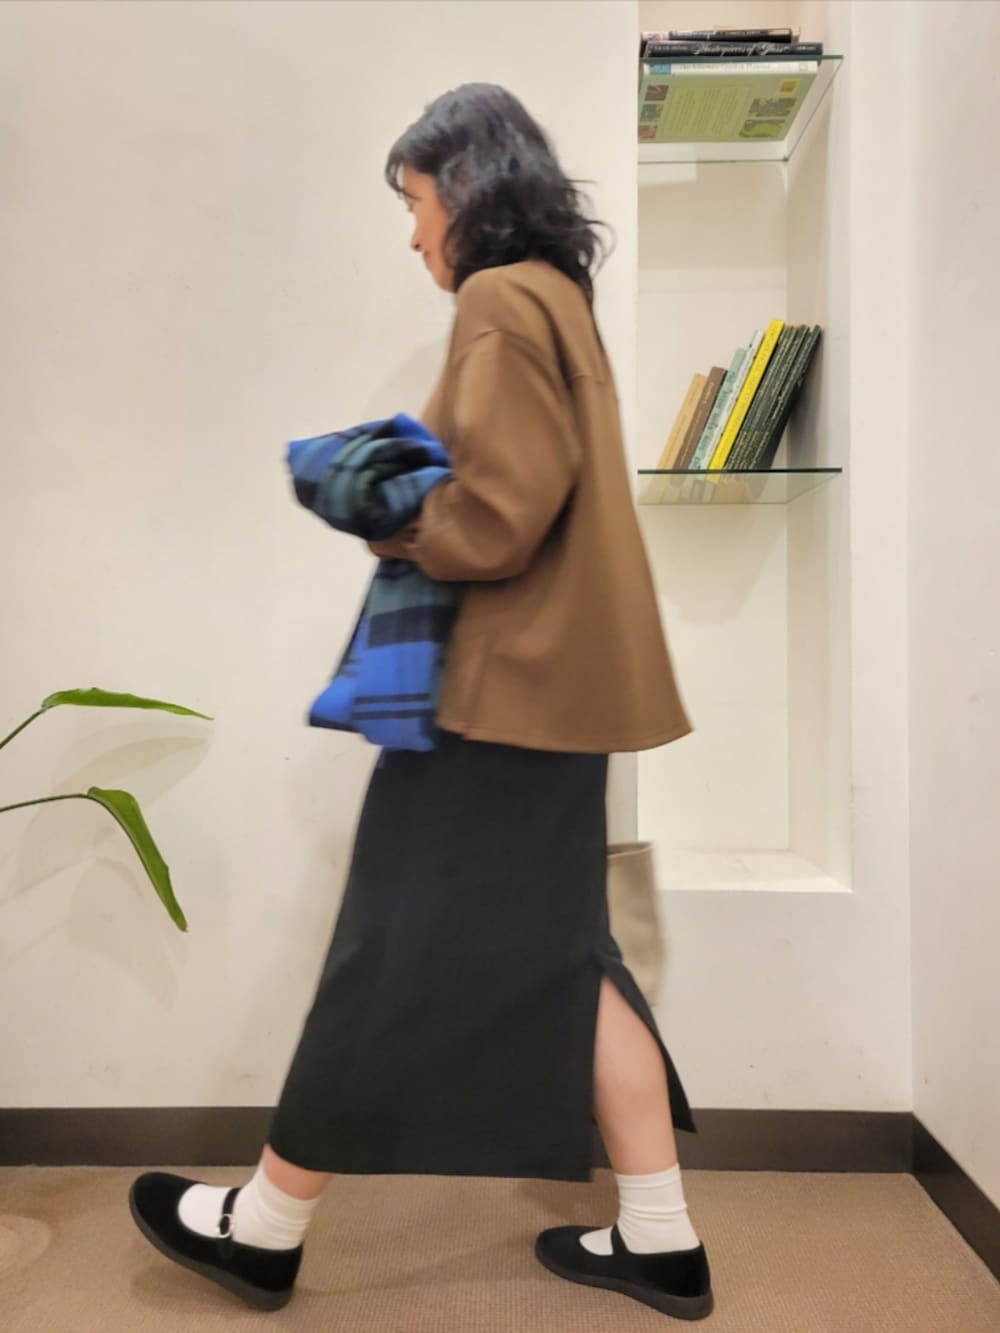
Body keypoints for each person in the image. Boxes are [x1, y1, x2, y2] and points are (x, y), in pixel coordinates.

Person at [128, 83, 713, 1322]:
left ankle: (265, 1226)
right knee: (572, 950)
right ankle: (660, 1235)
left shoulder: (501, 301)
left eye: (413, 201)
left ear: (466, 186)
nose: (411, 234)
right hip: (563, 697)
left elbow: (496, 518)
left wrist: (373, 501)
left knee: (387, 949)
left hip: (499, 697)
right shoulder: (559, 296)